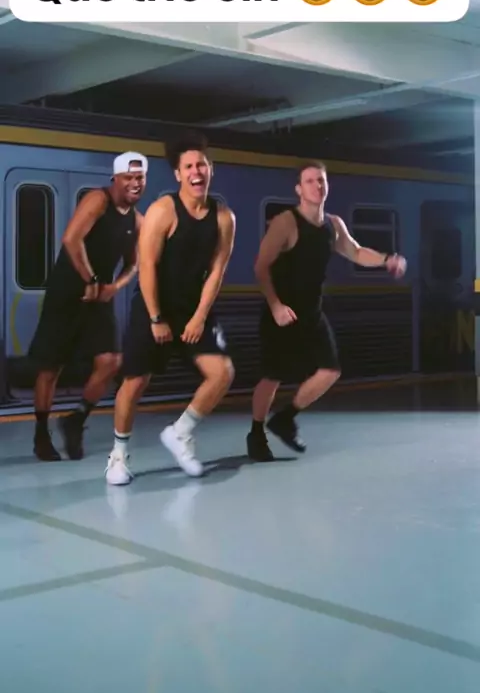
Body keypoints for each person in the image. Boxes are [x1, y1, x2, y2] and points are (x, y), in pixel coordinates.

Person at [247, 160, 407, 461]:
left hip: (311, 312)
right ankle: (256, 434)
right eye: (310, 181)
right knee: (272, 376)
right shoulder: (285, 223)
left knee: (330, 370)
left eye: (321, 180)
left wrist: (387, 259)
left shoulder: (333, 225)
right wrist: (276, 305)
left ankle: (285, 418)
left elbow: (356, 252)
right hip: (280, 312)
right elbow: (261, 267)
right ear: (299, 189)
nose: (317, 186)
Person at [105, 134, 236, 485]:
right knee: (135, 381)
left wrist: (199, 317)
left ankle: (180, 433)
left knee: (222, 372)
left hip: (192, 309)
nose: (196, 172)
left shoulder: (224, 218)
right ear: (178, 174)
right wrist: (155, 318)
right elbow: (147, 266)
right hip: (155, 306)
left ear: (210, 170)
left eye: (201, 165)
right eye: (188, 166)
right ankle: (118, 457)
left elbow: (217, 272)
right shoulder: (163, 210)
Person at [29, 151, 148, 462]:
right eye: (129, 178)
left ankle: (76, 420)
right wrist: (91, 278)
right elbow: (71, 239)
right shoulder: (98, 200)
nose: (135, 183)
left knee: (111, 361)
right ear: (115, 179)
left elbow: (134, 264)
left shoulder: (137, 221)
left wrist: (113, 287)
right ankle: (41, 436)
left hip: (99, 298)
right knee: (50, 367)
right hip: (66, 292)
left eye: (140, 178)